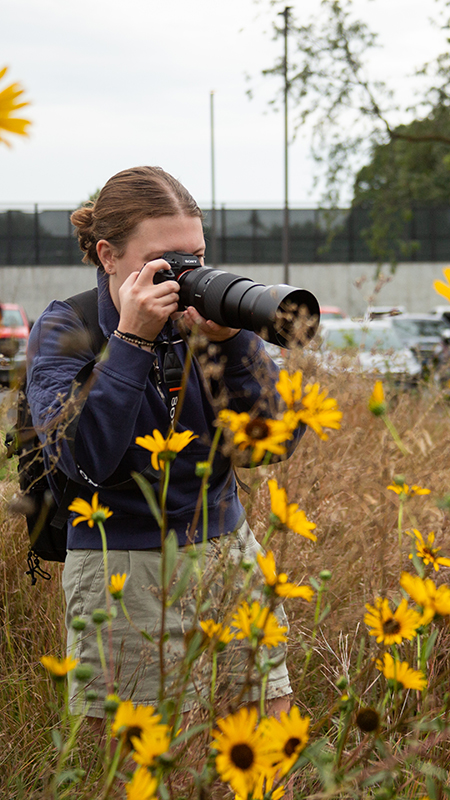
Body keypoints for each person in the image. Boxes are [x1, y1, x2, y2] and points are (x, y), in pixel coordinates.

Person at [26, 166, 303, 723]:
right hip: (123, 567)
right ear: (108, 256)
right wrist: (130, 340)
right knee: (150, 765)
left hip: (228, 547)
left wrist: (232, 345)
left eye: (195, 259)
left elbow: (270, 443)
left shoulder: (206, 322)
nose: (186, 276)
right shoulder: (67, 328)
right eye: (167, 262)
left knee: (266, 740)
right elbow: (83, 461)